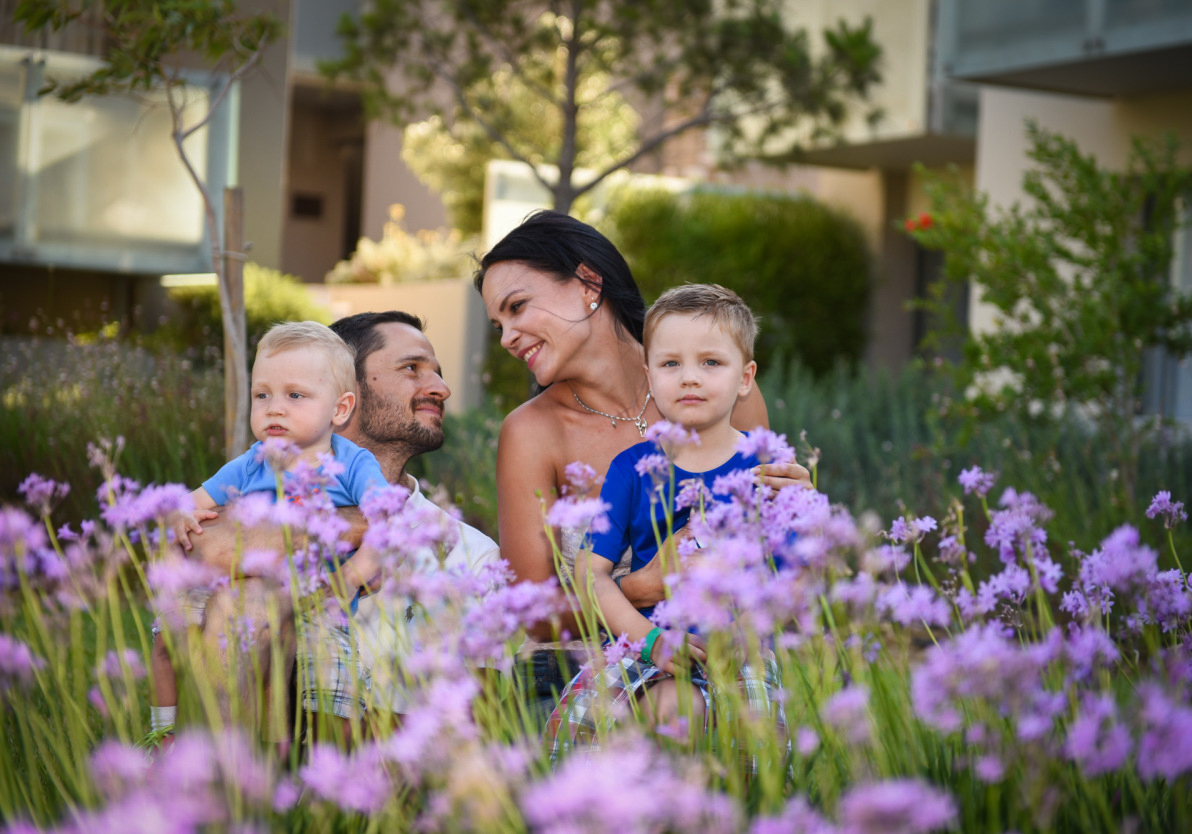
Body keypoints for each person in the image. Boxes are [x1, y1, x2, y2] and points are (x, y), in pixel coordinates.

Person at [474, 211, 796, 710]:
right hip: (581, 667)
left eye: (517, 307)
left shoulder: (719, 391)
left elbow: (772, 547)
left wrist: (798, 506)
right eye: (499, 323)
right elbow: (533, 613)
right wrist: (642, 585)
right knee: (676, 711)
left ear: (588, 283)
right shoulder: (530, 432)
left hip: (728, 653)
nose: (507, 337)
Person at [181, 312, 498, 733]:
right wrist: (351, 528)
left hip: (377, 774)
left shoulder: (470, 551)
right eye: (412, 368)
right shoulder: (254, 484)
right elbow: (195, 545)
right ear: (350, 393)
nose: (441, 388)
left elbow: (477, 719)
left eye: (437, 373)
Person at [546, 283, 811, 746]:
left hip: (739, 647)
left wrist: (806, 522)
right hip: (644, 640)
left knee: (757, 743)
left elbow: (796, 586)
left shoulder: (767, 469)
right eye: (671, 364)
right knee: (583, 727)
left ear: (745, 377)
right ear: (649, 378)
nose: (690, 377)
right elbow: (592, 575)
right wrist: (649, 639)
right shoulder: (631, 469)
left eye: (711, 362)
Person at [152, 321, 387, 743]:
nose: (274, 408)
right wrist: (179, 518)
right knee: (168, 628)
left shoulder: (353, 464)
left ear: (340, 408)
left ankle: (317, 777)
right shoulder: (253, 461)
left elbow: (385, 524)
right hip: (240, 586)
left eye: (295, 396)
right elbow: (190, 502)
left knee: (332, 692)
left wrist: (352, 576)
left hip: (318, 599)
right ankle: (163, 732)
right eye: (263, 395)